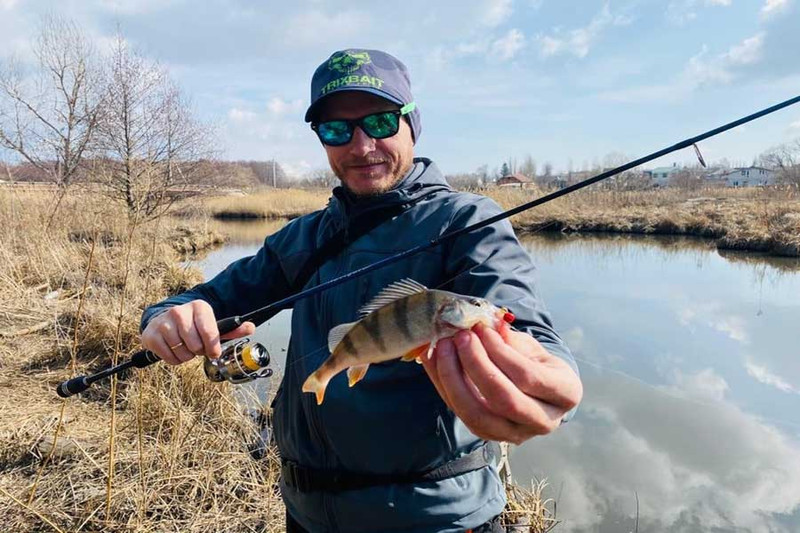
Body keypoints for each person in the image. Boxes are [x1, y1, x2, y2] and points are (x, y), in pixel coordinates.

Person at [140, 48, 582, 533]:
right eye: (336, 129)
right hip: (306, 514)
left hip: (437, 522)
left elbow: (519, 315)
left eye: (380, 121)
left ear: (413, 124)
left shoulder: (467, 222)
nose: (360, 144)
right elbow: (207, 298)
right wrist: (170, 316)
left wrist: (546, 375)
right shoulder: (303, 237)